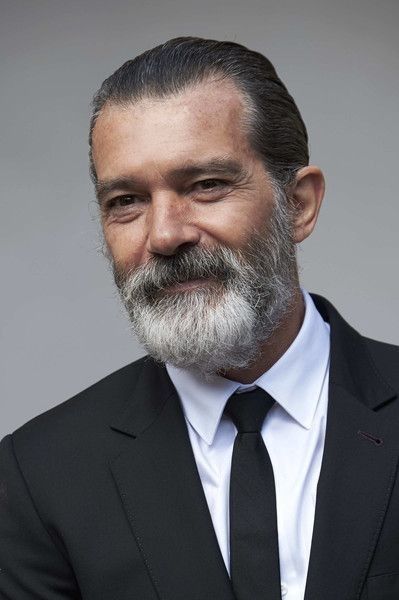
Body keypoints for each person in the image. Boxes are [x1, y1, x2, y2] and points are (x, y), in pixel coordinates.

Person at [0, 37, 398, 600]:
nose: (164, 235)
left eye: (206, 185)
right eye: (126, 201)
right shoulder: (38, 476)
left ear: (299, 205)